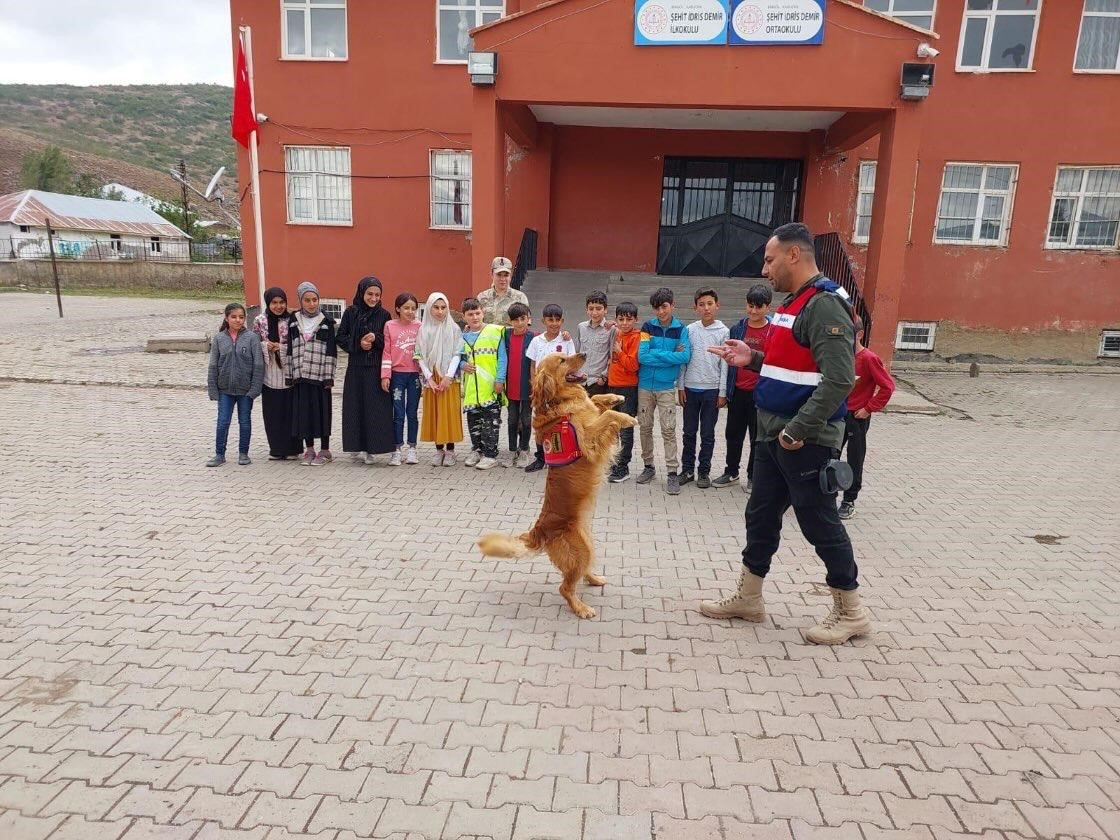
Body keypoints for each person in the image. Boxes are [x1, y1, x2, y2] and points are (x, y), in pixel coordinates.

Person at [700, 223, 870, 646]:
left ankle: (851, 611)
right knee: (759, 516)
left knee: (819, 522)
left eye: (770, 259)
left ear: (795, 255)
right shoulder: (795, 303)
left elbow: (839, 379)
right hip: (773, 435)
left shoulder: (826, 304)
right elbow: (790, 365)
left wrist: (798, 431)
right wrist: (751, 358)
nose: (765, 269)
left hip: (803, 439)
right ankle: (749, 599)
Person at [713, 283, 773, 490]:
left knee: (757, 436)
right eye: (750, 306)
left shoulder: (774, 331)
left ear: (768, 307)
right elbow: (728, 360)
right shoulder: (737, 328)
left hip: (761, 393)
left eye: (758, 307)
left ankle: (753, 476)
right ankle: (731, 472)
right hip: (737, 390)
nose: (753, 311)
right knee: (733, 433)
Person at [839, 314, 895, 519]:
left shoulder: (870, 359)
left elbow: (887, 387)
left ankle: (849, 499)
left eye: (848, 333)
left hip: (857, 417)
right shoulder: (839, 356)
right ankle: (826, 493)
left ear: (859, 334)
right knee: (829, 455)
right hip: (836, 415)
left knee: (854, 458)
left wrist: (869, 408)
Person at [636, 287, 691, 495]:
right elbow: (642, 356)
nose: (661, 312)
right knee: (645, 427)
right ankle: (648, 467)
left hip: (667, 387)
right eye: (657, 308)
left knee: (668, 430)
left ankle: (672, 473)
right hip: (644, 387)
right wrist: (669, 353)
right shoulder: (647, 327)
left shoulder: (681, 329)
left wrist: (656, 353)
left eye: (664, 307)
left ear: (672, 305)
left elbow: (684, 357)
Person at [337, 276, 396, 464]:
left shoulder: (384, 315)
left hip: (375, 368)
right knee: (355, 408)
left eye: (377, 295)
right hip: (355, 368)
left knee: (374, 409)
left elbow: (388, 341)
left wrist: (375, 338)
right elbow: (341, 337)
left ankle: (373, 448)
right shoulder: (350, 313)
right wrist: (358, 343)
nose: (373, 298)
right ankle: (357, 446)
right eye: (370, 294)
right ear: (361, 292)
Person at [676, 288, 729, 489]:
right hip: (690, 388)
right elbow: (683, 361)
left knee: (707, 433)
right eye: (701, 304)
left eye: (709, 304)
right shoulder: (689, 330)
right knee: (688, 432)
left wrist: (722, 393)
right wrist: (680, 386)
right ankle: (687, 469)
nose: (706, 308)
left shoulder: (724, 332)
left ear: (717, 306)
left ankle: (704, 471)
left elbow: (725, 364)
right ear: (695, 308)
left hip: (711, 391)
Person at [206, 303, 264, 467]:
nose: (238, 320)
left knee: (244, 421)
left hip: (245, 391)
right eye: (234, 317)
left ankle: (243, 453)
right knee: (223, 421)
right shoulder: (219, 339)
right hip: (225, 390)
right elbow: (213, 365)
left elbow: (258, 365)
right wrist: (213, 389)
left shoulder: (252, 338)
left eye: (241, 317)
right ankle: (219, 454)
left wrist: (254, 389)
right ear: (226, 318)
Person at [287, 282, 337, 466]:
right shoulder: (294, 320)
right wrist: (289, 373)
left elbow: (332, 351)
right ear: (301, 300)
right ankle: (309, 449)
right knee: (304, 413)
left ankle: (325, 450)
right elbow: (290, 349)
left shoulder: (326, 322)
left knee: (322, 412)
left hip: (319, 374)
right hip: (301, 374)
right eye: (307, 300)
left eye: (314, 299)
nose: (311, 304)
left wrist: (329, 376)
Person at [522, 304, 577, 472]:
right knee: (541, 423)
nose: (554, 323)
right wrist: (535, 386)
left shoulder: (566, 340)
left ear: (562, 321)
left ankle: (560, 456)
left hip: (559, 391)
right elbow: (532, 365)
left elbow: (571, 365)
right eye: (550, 320)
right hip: (542, 390)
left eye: (557, 320)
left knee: (560, 423)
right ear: (543, 321)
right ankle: (540, 457)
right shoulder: (536, 341)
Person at [251, 287, 302, 460]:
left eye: (282, 302)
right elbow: (254, 343)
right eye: (274, 303)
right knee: (273, 414)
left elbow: (300, 344)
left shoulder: (293, 319)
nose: (278, 306)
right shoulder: (260, 320)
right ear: (268, 303)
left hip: (289, 373)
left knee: (290, 413)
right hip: (269, 373)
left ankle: (293, 449)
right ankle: (277, 449)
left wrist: (281, 347)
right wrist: (266, 346)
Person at [415, 292, 464, 466]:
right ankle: (438, 450)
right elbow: (419, 355)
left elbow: (458, 354)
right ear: (429, 308)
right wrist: (429, 378)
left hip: (449, 377)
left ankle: (450, 451)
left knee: (449, 413)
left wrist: (448, 376)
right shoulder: (423, 329)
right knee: (435, 413)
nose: (440, 311)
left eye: (443, 307)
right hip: (432, 378)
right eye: (436, 307)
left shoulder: (454, 329)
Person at [460, 297, 508, 470]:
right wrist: (462, 365)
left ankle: (490, 454)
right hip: (472, 389)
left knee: (491, 423)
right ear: (464, 317)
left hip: (491, 387)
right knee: (474, 422)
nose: (475, 317)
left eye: (477, 313)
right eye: (470, 314)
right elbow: (457, 358)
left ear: (483, 313)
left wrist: (500, 379)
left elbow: (502, 357)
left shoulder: (495, 332)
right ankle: (477, 450)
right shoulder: (462, 337)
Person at [382, 292, 423, 466]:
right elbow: (386, 351)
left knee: (412, 413)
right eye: (406, 308)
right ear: (398, 308)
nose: (410, 312)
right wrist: (385, 375)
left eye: (413, 308)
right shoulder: (389, 326)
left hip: (414, 375)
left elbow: (425, 350)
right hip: (397, 375)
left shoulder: (420, 326)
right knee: (398, 414)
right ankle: (396, 450)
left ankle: (412, 449)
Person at [499, 302, 536, 468]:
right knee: (512, 420)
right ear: (510, 321)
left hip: (527, 387)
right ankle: (512, 450)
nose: (519, 323)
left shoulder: (534, 337)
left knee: (526, 420)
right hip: (511, 386)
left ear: (529, 319)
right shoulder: (505, 335)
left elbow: (551, 341)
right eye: (515, 320)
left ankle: (525, 450)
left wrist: (565, 335)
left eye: (523, 318)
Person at [607, 301, 641, 483]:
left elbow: (633, 365)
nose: (625, 323)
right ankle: (614, 462)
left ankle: (623, 467)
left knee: (626, 429)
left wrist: (619, 352)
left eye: (629, 319)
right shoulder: (616, 332)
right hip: (612, 386)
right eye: (621, 319)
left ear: (636, 320)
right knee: (612, 428)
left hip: (628, 388)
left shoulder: (637, 337)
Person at [574, 290, 612, 396]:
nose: (594, 312)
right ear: (587, 310)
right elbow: (578, 352)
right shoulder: (581, 327)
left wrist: (603, 378)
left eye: (598, 308)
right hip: (581, 381)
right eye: (591, 309)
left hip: (598, 382)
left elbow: (612, 357)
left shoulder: (611, 329)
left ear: (605, 310)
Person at [478, 256, 529, 327]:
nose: (502, 279)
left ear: (510, 276)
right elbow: (477, 322)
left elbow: (525, 324)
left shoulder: (520, 297)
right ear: (492, 274)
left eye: (506, 275)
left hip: (510, 337)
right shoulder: (482, 297)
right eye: (499, 275)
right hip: (489, 337)